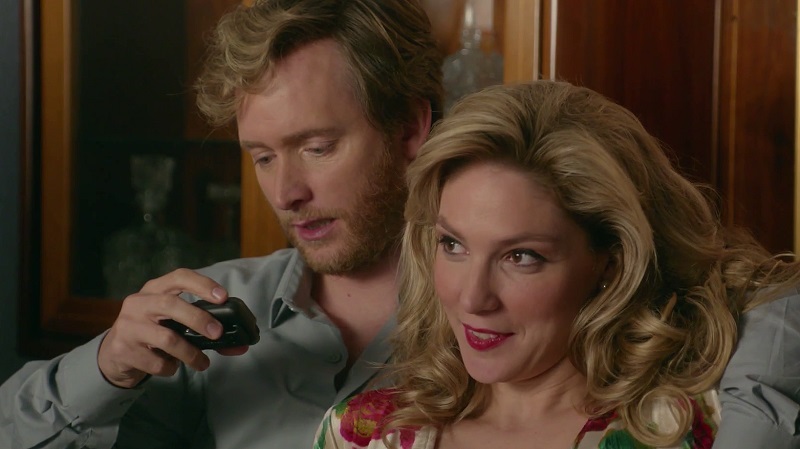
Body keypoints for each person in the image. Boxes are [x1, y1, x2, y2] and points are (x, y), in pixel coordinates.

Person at [0, 1, 442, 448]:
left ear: (408, 129)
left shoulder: (475, 324)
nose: (284, 194)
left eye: (317, 148)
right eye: (263, 158)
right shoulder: (204, 310)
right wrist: (107, 369)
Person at [313, 80, 800, 448]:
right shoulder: (361, 434)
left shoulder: (686, 432)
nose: (473, 297)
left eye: (520, 256)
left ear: (611, 263)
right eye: (453, 245)